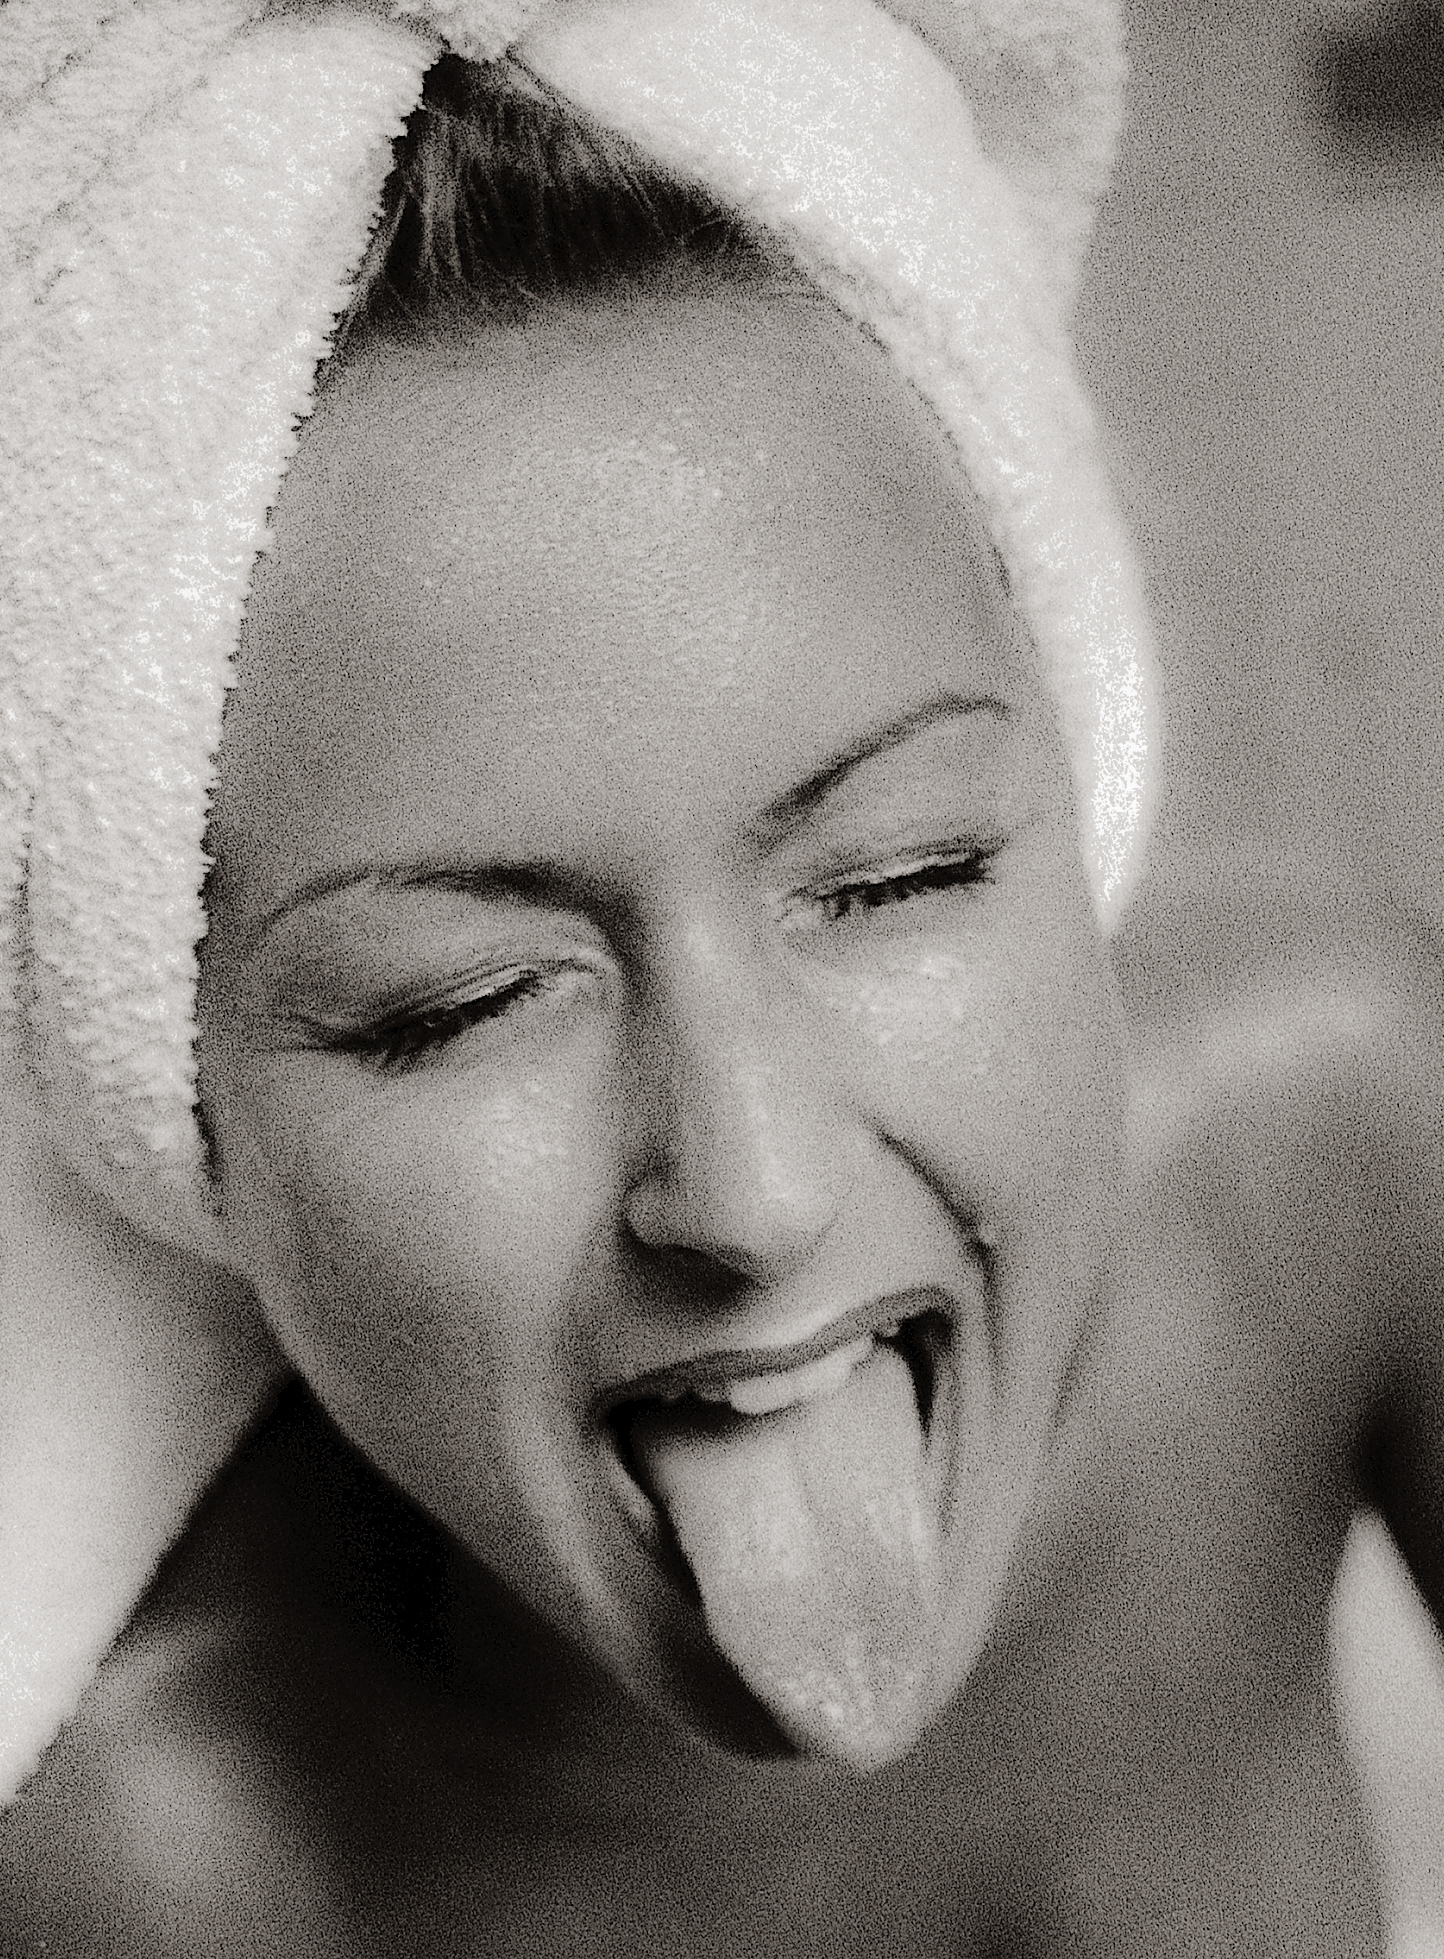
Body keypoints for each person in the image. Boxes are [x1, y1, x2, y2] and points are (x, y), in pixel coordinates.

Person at [1, 2, 1439, 1953]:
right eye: (458, 1003)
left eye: (900, 875)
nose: (753, 1194)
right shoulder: (158, 1871)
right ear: (177, 1113)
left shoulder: (1331, 1139)